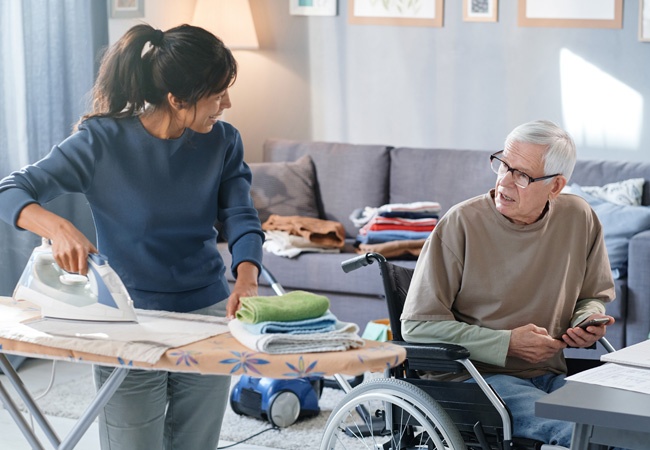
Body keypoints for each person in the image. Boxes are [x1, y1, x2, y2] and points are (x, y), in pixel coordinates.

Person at [0, 24, 264, 449]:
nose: (227, 104)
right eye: (217, 93)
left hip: (209, 316)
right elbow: (10, 190)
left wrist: (248, 276)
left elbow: (241, 215)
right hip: (127, 323)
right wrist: (58, 227)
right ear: (177, 100)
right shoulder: (101, 140)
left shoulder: (223, 142)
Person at [400, 119, 616, 448]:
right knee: (581, 434)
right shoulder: (461, 224)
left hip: (551, 372)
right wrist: (507, 344)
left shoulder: (578, 218)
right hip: (478, 379)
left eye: (522, 175)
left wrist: (586, 319)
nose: (504, 182)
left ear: (556, 187)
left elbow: (591, 296)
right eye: (503, 165)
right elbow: (416, 327)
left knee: (622, 424)